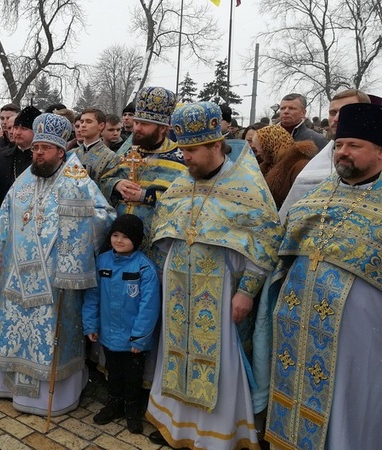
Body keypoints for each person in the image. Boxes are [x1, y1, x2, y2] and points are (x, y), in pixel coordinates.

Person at [146, 101, 283, 449]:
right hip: (178, 287)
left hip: (222, 290)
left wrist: (247, 292)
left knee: (219, 362)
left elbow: (265, 240)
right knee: (174, 354)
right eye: (182, 150)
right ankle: (175, 425)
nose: (185, 157)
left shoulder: (247, 187)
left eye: (191, 150)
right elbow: (164, 230)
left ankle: (218, 435)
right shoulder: (181, 183)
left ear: (215, 146)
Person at [264, 102, 382, 450]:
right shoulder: (315, 196)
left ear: (379, 151)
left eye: (354, 145)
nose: (342, 152)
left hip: (361, 337)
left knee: (350, 406)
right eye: (340, 144)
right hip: (297, 326)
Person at [0, 113, 115, 416]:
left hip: (55, 275)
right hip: (17, 273)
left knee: (49, 335)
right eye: (36, 148)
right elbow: (6, 213)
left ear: (61, 151)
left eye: (45, 149)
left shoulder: (76, 179)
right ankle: (11, 387)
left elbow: (105, 215)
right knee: (17, 332)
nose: (38, 153)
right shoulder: (24, 180)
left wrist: (76, 228)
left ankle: (56, 397)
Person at [82, 214, 159, 434]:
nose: (119, 240)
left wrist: (140, 337)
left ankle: (132, 409)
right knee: (113, 372)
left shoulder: (144, 268)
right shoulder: (103, 261)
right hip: (108, 334)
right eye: (115, 235)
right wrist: (91, 325)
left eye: (125, 236)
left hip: (133, 339)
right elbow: (92, 296)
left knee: (133, 375)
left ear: (135, 239)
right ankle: (114, 403)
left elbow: (149, 306)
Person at [101, 86, 187, 256]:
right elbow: (103, 180)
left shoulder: (180, 158)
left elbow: (184, 201)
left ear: (163, 128)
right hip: (119, 242)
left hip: (156, 243)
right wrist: (117, 184)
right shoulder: (127, 151)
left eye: (145, 124)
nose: (137, 129)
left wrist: (144, 196)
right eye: (137, 122)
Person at [279, 89, 372, 221]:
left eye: (347, 111)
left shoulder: (317, 141)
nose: (336, 118)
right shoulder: (315, 164)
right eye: (332, 113)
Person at [253, 125, 317, 208]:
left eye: (259, 147)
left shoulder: (300, 166)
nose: (258, 152)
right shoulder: (268, 166)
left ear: (269, 145)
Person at [0, 106, 41, 204]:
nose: (17, 132)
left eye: (24, 128)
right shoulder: (1, 157)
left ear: (36, 131)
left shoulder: (43, 159)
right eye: (16, 127)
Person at [75, 108, 120, 196]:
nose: (83, 125)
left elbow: (108, 187)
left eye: (88, 121)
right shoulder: (71, 154)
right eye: (82, 121)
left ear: (101, 126)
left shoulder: (111, 157)